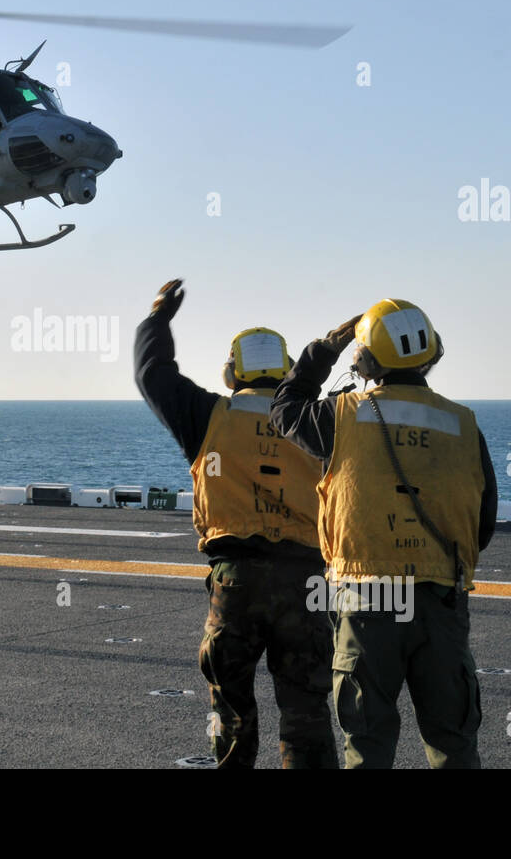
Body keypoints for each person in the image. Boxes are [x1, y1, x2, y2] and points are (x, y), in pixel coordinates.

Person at [270, 299, 498, 769]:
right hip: (440, 601)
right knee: (454, 741)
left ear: (366, 360)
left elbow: (284, 409)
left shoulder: (342, 415)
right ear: (432, 353)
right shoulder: (463, 425)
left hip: (369, 600)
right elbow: (483, 522)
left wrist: (324, 351)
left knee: (367, 741)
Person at [135, 278, 337, 769]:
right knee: (306, 707)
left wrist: (158, 320)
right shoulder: (319, 419)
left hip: (236, 578)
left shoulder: (208, 415)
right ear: (289, 372)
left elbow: (152, 373)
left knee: (231, 706)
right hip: (309, 580)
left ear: (232, 373)